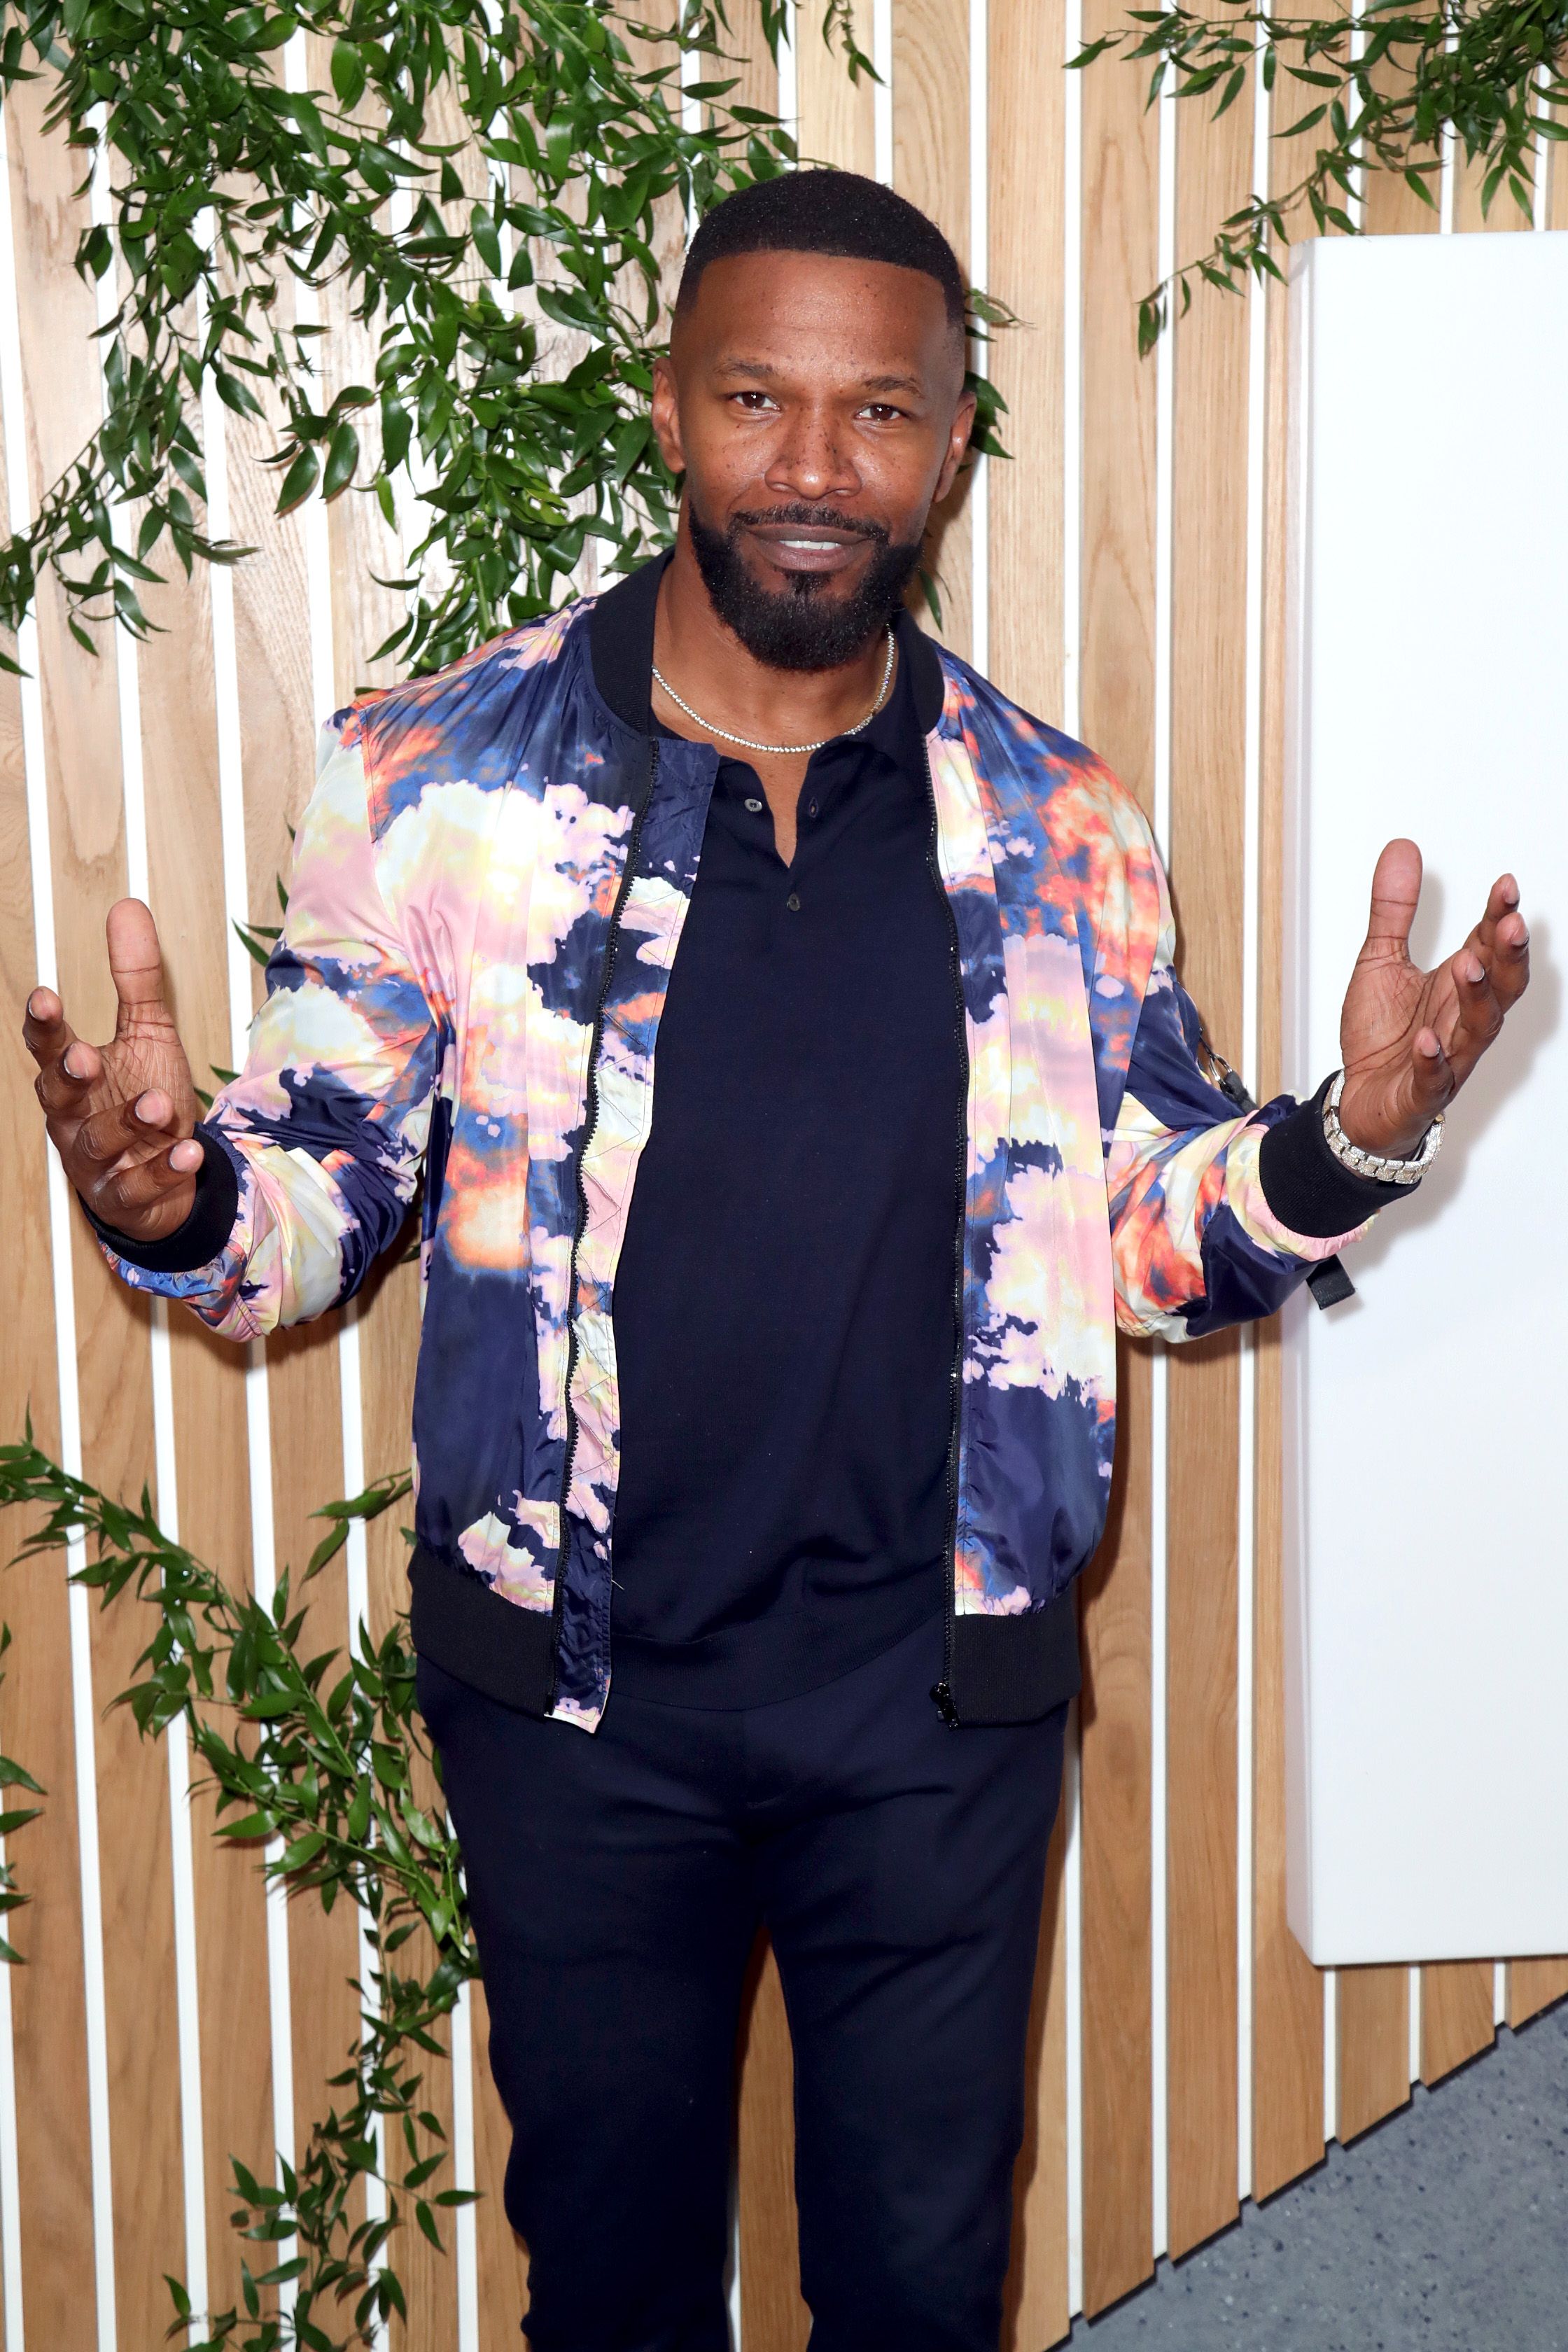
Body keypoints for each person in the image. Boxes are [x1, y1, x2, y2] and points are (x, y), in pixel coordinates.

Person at [22, 170, 1529, 2352]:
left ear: (949, 444)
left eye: (879, 416)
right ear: (668, 410)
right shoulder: (438, 783)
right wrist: (163, 1197)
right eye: (757, 399)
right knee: (615, 2285)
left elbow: (1138, 1234)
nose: (816, 471)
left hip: (938, 1695)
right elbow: (319, 1186)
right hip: (573, 1705)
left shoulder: (1064, 825)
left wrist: (1340, 1143)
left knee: (921, 2285)